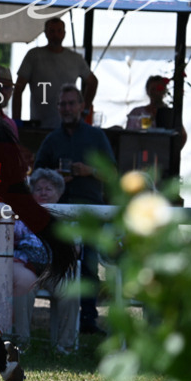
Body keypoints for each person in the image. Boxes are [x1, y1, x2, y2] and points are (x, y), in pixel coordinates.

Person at [33, 84, 115, 334]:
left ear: (82, 106)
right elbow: (36, 176)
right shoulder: (52, 139)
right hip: (58, 212)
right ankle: (65, 317)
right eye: (63, 104)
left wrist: (91, 171)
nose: (67, 108)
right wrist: (55, 177)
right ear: (58, 108)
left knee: (89, 263)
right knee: (60, 261)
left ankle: (89, 318)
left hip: (91, 210)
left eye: (71, 103)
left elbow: (113, 174)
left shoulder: (96, 136)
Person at [0, 168, 80, 353]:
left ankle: (65, 346)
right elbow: (0, 243)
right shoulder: (20, 214)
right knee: (24, 284)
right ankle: (21, 343)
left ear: (59, 193)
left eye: (49, 188)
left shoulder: (68, 217)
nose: (43, 192)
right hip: (25, 264)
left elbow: (75, 250)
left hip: (54, 267)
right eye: (39, 189)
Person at [12, 17, 98, 129]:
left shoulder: (75, 58)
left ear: (64, 33)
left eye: (59, 31)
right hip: (40, 125)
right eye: (52, 31)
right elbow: (18, 89)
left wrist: (84, 110)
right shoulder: (34, 55)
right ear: (45, 33)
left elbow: (93, 82)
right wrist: (16, 122)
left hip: (68, 126)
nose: (55, 35)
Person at [126, 74, 187, 146]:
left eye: (159, 89)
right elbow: (127, 136)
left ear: (164, 91)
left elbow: (182, 136)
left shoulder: (170, 114)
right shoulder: (137, 113)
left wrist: (172, 153)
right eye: (152, 89)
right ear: (147, 91)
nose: (155, 93)